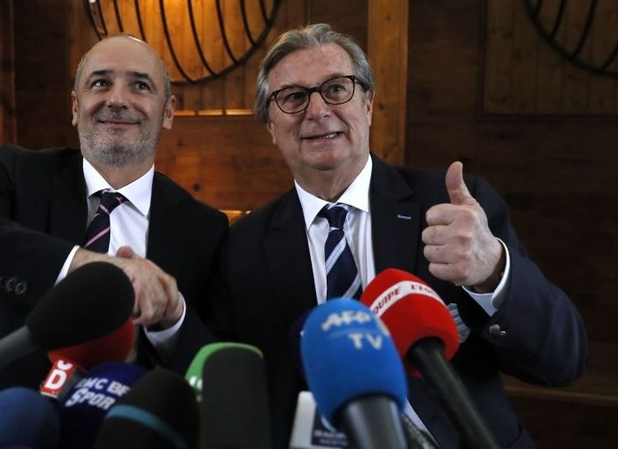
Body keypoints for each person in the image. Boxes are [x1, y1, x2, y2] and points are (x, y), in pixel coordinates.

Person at [197, 23, 587, 449]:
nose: (317, 110)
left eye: (336, 88)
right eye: (292, 97)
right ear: (270, 126)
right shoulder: (243, 246)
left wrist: (492, 272)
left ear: (367, 104)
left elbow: (563, 361)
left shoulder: (454, 208)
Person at [0, 34, 227, 395]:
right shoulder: (22, 176)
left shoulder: (205, 227)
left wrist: (172, 318)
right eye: (101, 83)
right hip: (20, 423)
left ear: (168, 112)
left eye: (140, 85)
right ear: (76, 106)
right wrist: (78, 265)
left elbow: (220, 368)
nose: (118, 99)